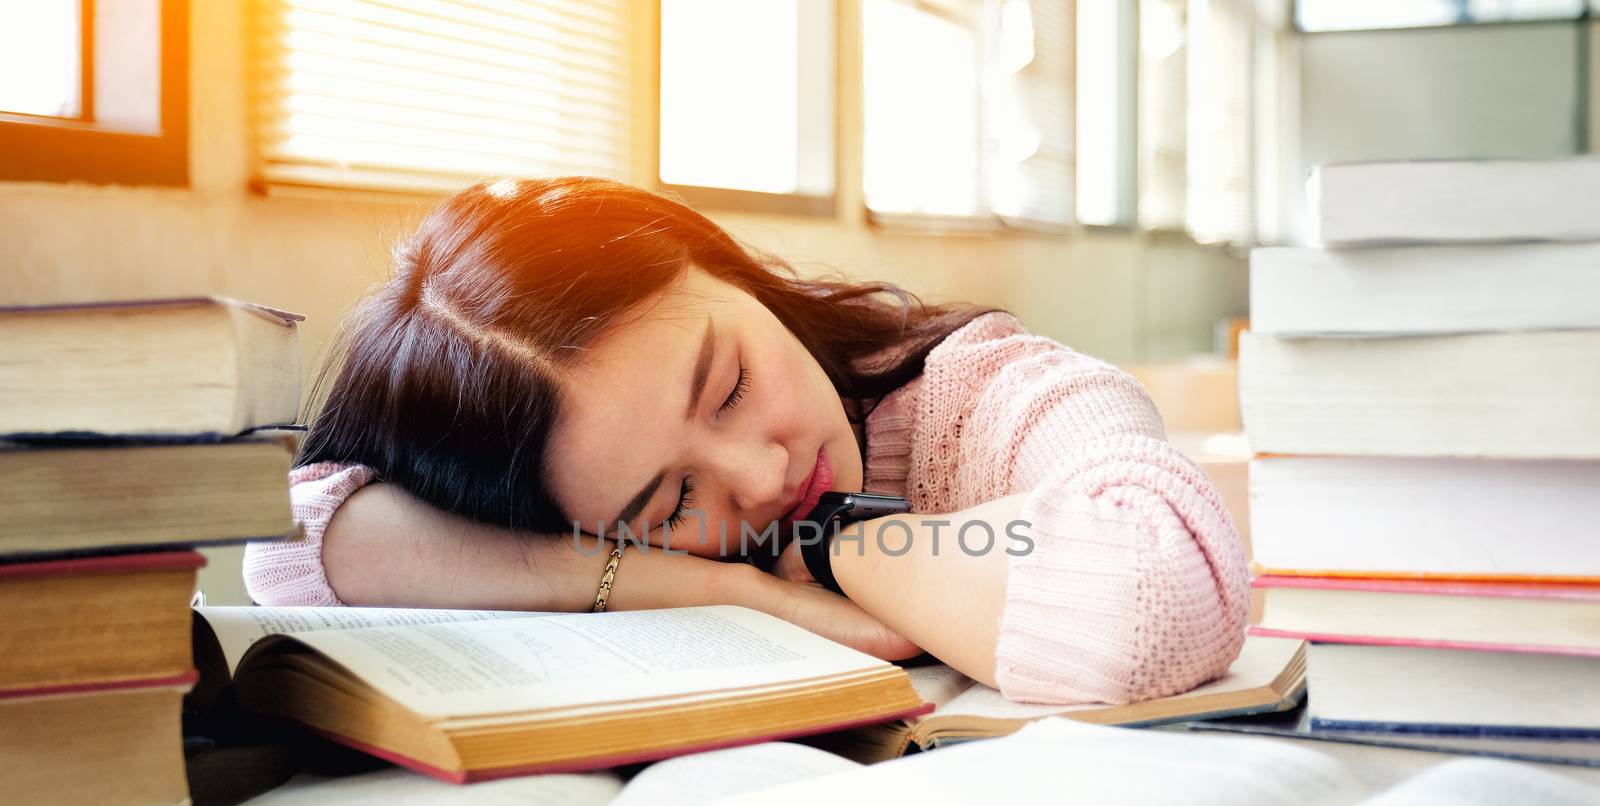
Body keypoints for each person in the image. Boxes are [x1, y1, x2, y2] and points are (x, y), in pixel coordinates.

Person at [243, 176, 1249, 704]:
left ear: (714, 264)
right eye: (668, 503)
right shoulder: (660, 556)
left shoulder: (983, 393)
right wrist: (717, 585)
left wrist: (837, 542)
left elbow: (1151, 597)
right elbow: (285, 543)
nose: (763, 472)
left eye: (726, 385)